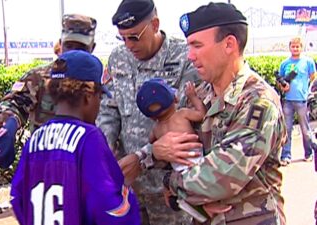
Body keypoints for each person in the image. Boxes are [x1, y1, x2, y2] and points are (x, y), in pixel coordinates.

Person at [153, 2, 287, 224]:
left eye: (197, 46)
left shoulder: (258, 102)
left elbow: (221, 178)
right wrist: (158, 153)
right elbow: (178, 152)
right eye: (189, 47)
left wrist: (171, 182)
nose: (190, 56)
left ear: (229, 44)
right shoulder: (199, 95)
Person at [96, 0, 201, 223]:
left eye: (134, 36)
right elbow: (108, 109)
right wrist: (102, 151)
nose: (128, 45)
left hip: (169, 184)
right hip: (129, 183)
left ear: (154, 25)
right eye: (122, 38)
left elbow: (186, 120)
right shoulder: (118, 58)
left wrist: (145, 155)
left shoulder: (184, 58)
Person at [10, 50, 140, 225]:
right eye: (99, 97)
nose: (99, 104)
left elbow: (17, 197)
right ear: (88, 96)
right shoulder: (89, 138)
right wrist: (125, 189)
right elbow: (110, 209)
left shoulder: (35, 139)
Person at [0, 13, 97, 134]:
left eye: (81, 48)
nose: (73, 52)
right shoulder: (39, 77)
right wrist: (8, 124)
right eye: (69, 46)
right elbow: (13, 103)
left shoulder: (99, 83)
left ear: (92, 48)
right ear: (60, 44)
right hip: (45, 150)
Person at [136, 78, 206, 172]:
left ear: (151, 117)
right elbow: (201, 115)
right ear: (175, 99)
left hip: (178, 169)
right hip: (197, 161)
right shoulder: (182, 114)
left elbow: (151, 141)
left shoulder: (156, 129)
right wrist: (192, 97)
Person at [277, 37, 317, 166]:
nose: (295, 49)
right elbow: (280, 81)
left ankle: (308, 153)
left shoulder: (308, 62)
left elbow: (313, 78)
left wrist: (308, 90)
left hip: (302, 101)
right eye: (293, 46)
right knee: (287, 129)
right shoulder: (284, 63)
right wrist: (283, 86)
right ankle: (286, 155)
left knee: (305, 129)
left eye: (297, 46)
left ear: (301, 47)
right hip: (288, 101)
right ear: (290, 47)